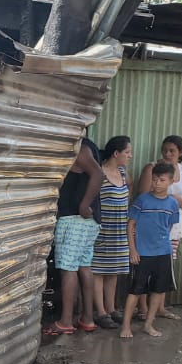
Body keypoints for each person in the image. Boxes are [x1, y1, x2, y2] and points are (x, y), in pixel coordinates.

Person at [47, 136, 103, 335]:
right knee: (83, 266)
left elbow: (98, 174)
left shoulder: (80, 148)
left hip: (75, 219)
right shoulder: (87, 146)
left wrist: (84, 204)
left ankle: (65, 322)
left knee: (67, 268)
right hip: (88, 222)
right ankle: (87, 318)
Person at [121, 163, 181, 339]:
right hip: (142, 253)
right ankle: (125, 326)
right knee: (135, 290)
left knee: (158, 290)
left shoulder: (173, 204)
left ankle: (149, 324)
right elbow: (130, 225)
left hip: (163, 253)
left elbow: (169, 226)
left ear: (171, 181)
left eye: (162, 180)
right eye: (154, 179)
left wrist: (161, 243)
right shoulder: (142, 200)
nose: (157, 183)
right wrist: (133, 249)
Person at [135, 135, 182, 319]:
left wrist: (174, 201)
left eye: (172, 151)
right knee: (146, 265)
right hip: (151, 224)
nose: (167, 154)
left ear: (180, 153)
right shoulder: (152, 168)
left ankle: (160, 307)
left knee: (166, 265)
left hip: (173, 224)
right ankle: (142, 307)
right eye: (164, 150)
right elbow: (142, 196)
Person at [91, 136, 133, 328]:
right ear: (116, 153)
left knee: (113, 271)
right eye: (127, 152)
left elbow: (127, 197)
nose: (130, 156)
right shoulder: (99, 172)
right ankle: (100, 312)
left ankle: (111, 308)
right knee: (98, 271)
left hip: (119, 230)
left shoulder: (123, 173)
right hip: (103, 230)